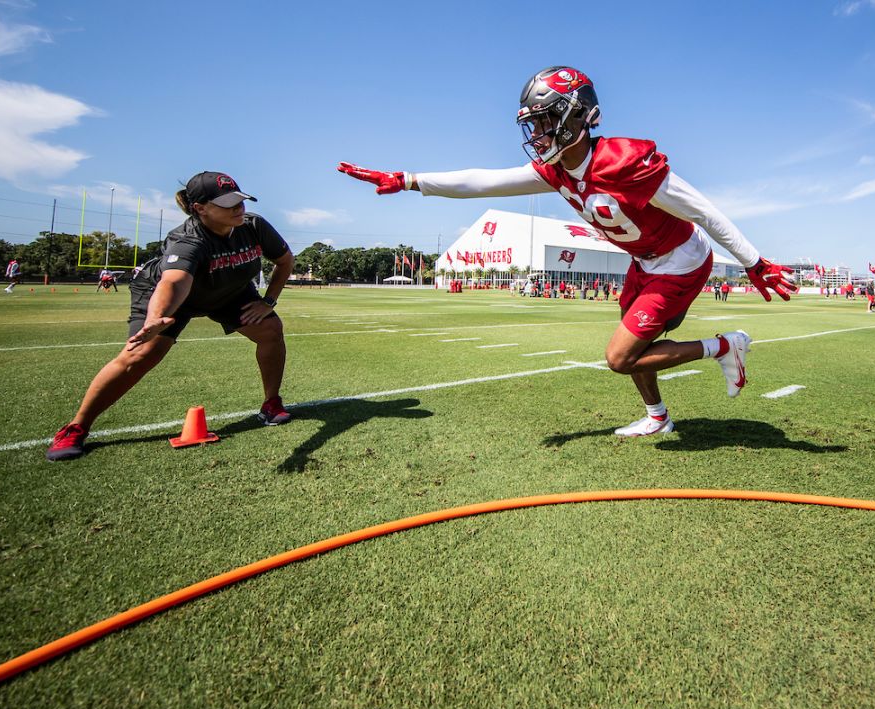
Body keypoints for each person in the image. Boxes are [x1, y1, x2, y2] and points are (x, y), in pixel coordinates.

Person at [339, 66, 794, 437]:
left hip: (679, 262)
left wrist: (755, 262)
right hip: (643, 262)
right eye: (531, 123)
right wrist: (409, 180)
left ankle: (724, 346)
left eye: (543, 120)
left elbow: (705, 212)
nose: (536, 132)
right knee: (639, 344)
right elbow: (482, 182)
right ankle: (658, 417)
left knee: (621, 357)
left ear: (578, 117)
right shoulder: (554, 171)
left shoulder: (623, 163)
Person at [46, 171, 296, 461]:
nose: (238, 208)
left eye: (239, 200)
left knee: (270, 330)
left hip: (227, 290)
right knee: (140, 356)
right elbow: (174, 282)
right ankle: (76, 428)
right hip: (174, 296)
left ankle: (271, 403)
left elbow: (285, 260)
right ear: (200, 208)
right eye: (228, 204)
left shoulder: (253, 225)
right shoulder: (187, 240)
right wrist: (156, 317)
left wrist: (268, 301)